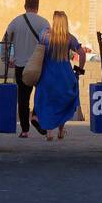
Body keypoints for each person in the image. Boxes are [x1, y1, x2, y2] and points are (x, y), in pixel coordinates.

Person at [2, 0, 49, 137]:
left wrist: (6, 59)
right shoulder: (44, 23)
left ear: (25, 5)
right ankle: (35, 115)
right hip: (39, 66)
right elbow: (49, 44)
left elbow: (5, 41)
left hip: (21, 65)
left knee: (23, 98)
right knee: (43, 94)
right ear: (37, 7)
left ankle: (24, 130)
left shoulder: (16, 22)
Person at [33, 10, 84, 140]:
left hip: (47, 76)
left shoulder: (44, 35)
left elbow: (38, 52)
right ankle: (61, 131)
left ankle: (49, 132)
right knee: (63, 104)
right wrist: (79, 70)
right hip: (65, 76)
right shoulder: (69, 38)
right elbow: (82, 53)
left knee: (48, 103)